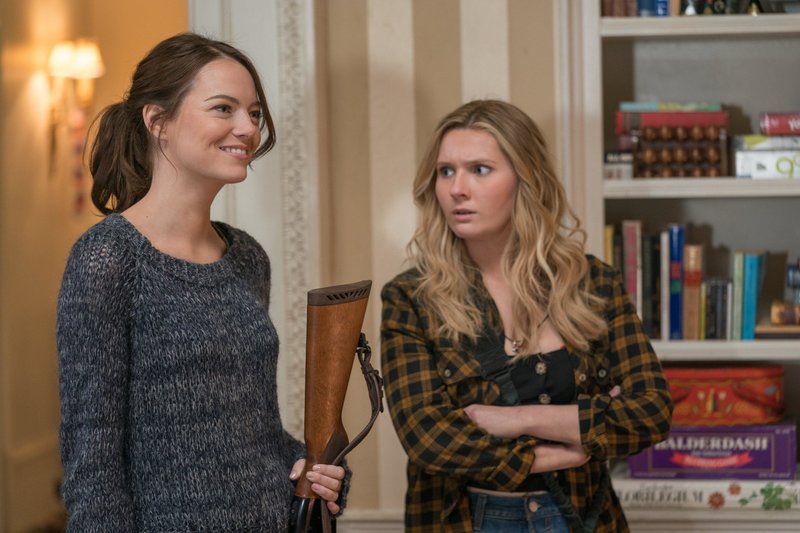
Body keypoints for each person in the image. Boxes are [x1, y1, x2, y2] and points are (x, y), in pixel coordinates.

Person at [56, 32, 346, 531]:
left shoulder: (247, 257)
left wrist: (309, 466)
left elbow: (253, 431)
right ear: (158, 121)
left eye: (254, 113)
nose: (247, 128)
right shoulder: (107, 259)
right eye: (223, 108)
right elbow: (92, 466)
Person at [380, 99, 673, 532]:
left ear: (526, 178)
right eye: (446, 171)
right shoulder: (411, 297)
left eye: (480, 169)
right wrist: (564, 449)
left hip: (582, 518)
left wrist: (517, 420)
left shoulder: (592, 283)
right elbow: (429, 438)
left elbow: (650, 412)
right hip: (469, 520)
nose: (457, 188)